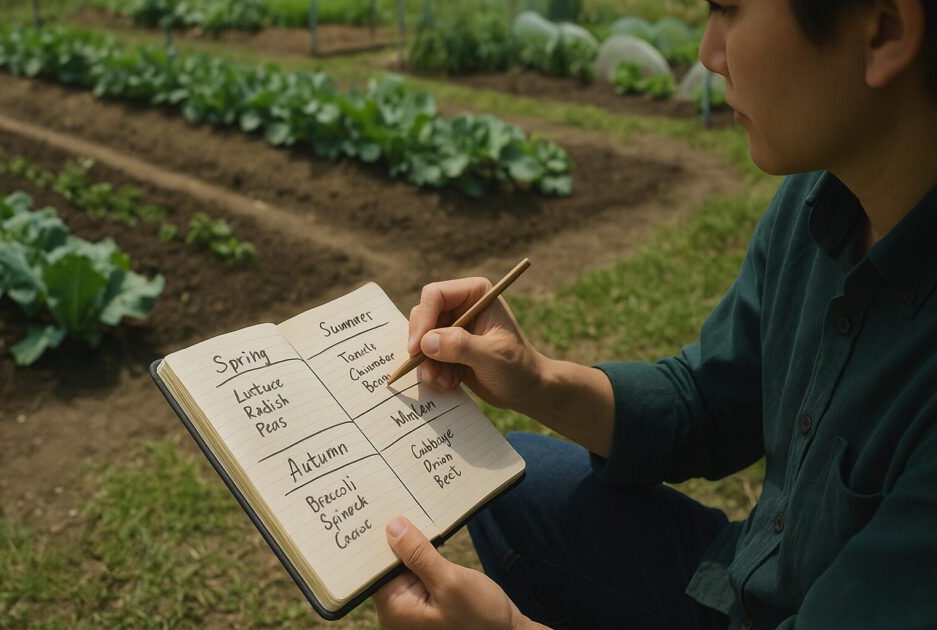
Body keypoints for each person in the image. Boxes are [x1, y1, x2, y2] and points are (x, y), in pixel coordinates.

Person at [372, 0, 937, 627]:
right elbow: (709, 404)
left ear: (884, 31)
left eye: (728, 10)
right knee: (513, 486)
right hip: (743, 587)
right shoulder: (820, 197)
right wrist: (534, 378)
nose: (708, 54)